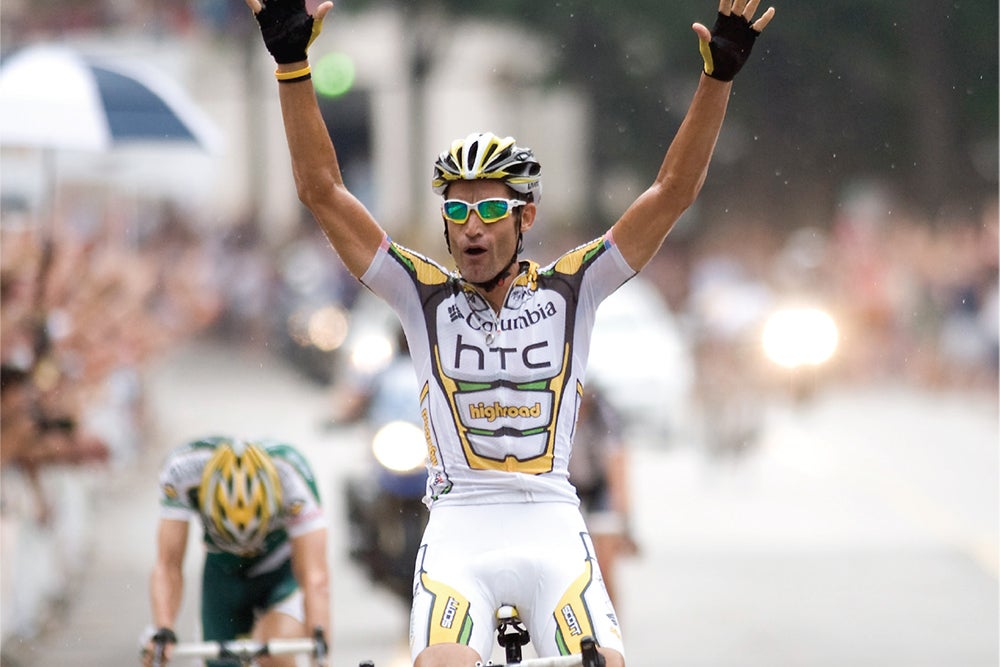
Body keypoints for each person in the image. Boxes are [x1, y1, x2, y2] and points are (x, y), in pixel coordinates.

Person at [242, 0, 775, 664]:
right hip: (460, 524)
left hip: (552, 522)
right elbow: (323, 190)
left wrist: (717, 77)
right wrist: (292, 65)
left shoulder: (573, 286)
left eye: (491, 207)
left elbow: (671, 191)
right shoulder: (421, 294)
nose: (471, 224)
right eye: (457, 208)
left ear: (525, 217)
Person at [141, 436, 330, 667]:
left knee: (272, 647)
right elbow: (168, 564)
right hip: (224, 573)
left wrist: (320, 651)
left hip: (280, 571)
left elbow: (315, 579)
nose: (245, 547)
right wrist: (163, 630)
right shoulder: (182, 470)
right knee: (220, 662)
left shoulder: (292, 475)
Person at [567, 385, 639, 609]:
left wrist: (626, 524)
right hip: (569, 488)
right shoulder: (554, 417)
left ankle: (611, 624)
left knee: (604, 567)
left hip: (600, 487)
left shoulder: (604, 420)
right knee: (570, 567)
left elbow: (618, 473)